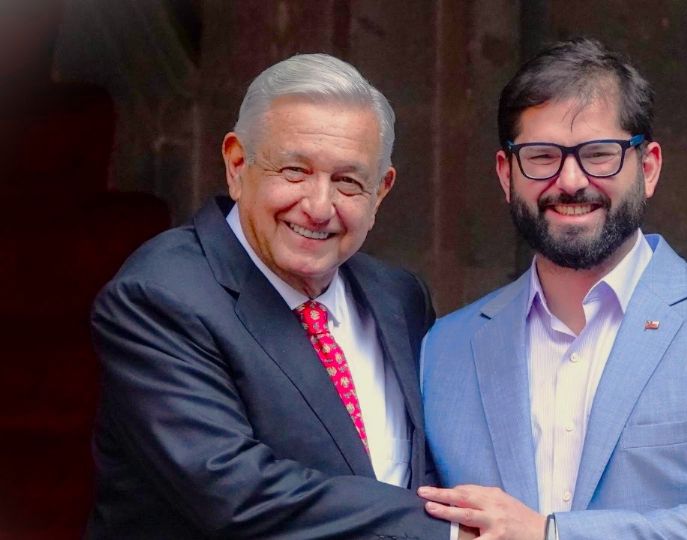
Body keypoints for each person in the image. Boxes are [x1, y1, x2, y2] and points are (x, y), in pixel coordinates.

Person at [418, 38, 687, 539]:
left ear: (648, 168)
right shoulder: (444, 346)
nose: (571, 180)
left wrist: (549, 536)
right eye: (541, 156)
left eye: (600, 154)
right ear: (506, 175)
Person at [87, 53, 453, 538]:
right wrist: (447, 532)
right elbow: (236, 495)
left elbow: (423, 466)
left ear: (380, 192)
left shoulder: (399, 297)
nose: (319, 207)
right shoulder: (159, 297)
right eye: (295, 171)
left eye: (347, 181)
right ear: (237, 165)